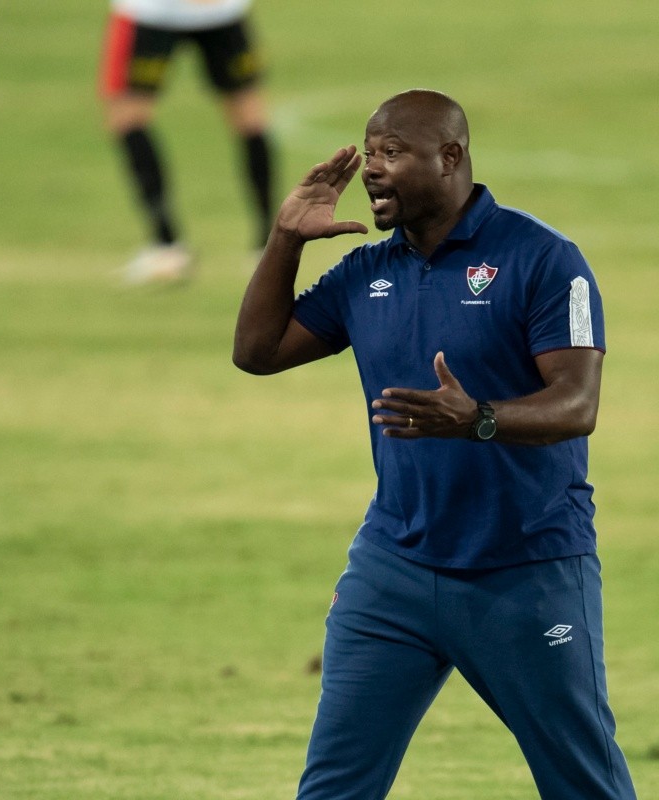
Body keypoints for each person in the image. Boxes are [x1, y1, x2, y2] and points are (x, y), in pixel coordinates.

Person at [233, 89, 638, 799]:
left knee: (584, 784)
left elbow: (578, 404)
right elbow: (257, 352)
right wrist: (286, 240)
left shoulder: (544, 259)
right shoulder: (368, 271)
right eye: (371, 152)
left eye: (394, 153)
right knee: (332, 788)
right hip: (393, 571)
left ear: (450, 158)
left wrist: (478, 417)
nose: (373, 170)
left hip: (527, 570)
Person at [99, 0, 275, 284]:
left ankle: (166, 247)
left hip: (152, 12)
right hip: (220, 11)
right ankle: (270, 247)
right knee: (250, 117)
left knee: (127, 117)